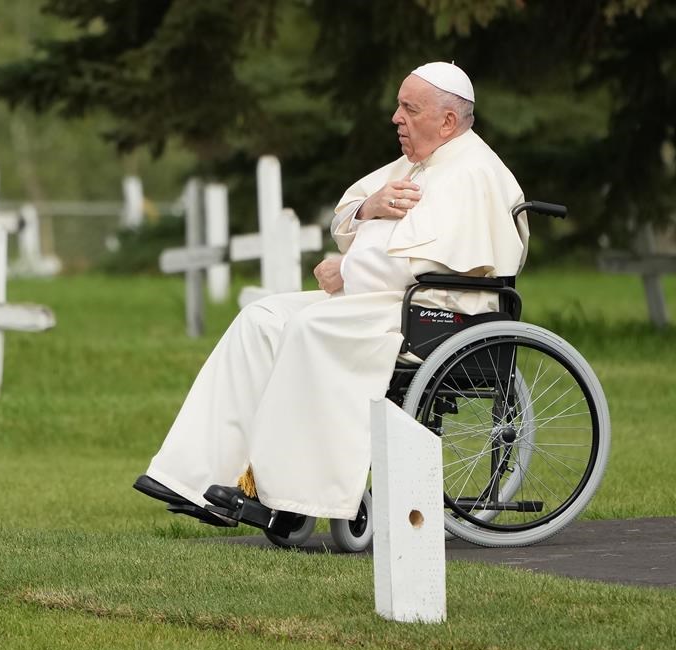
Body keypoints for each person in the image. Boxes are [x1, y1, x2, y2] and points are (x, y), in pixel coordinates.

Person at [134, 62, 529, 533]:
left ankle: (281, 495)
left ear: (447, 121)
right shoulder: (418, 163)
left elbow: (428, 264)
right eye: (399, 106)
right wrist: (369, 207)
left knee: (309, 326)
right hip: (390, 300)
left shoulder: (472, 172)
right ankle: (194, 477)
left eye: (410, 109)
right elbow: (345, 215)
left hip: (438, 310)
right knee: (263, 317)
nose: (396, 118)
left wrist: (348, 268)